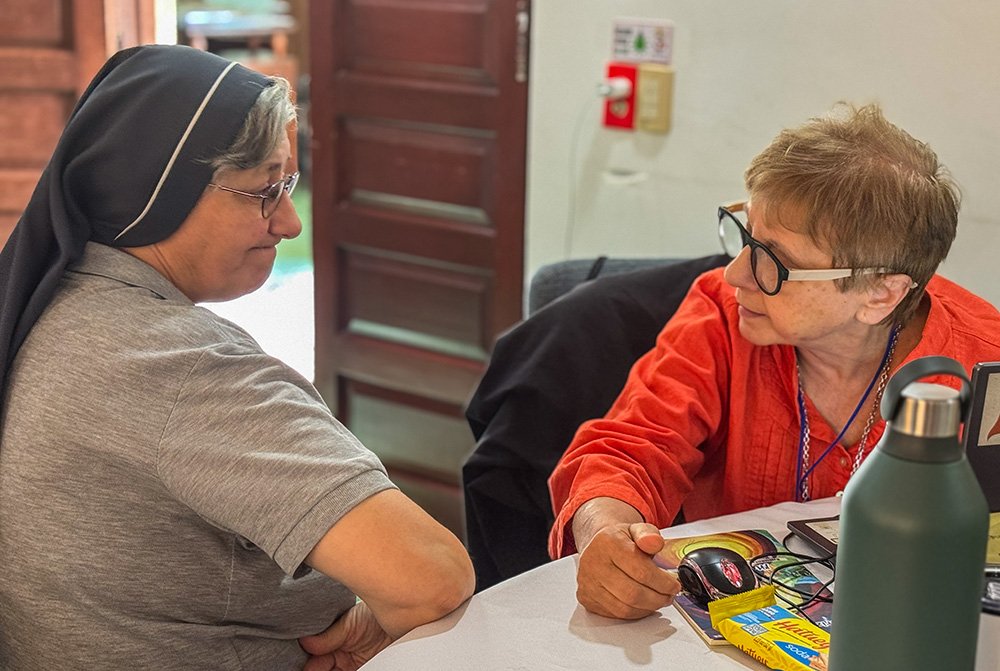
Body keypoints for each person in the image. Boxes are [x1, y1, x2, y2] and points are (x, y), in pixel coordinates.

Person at [0, 45, 473, 670]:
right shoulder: (181, 368)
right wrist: (370, 628)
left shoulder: (47, 308)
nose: (290, 223)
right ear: (160, 192)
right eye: (264, 191)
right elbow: (433, 578)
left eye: (288, 185)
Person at [547, 103, 1000, 620]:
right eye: (747, 238)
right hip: (741, 618)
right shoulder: (720, 314)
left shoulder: (985, 362)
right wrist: (606, 534)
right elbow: (629, 451)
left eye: (774, 261)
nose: (735, 274)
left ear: (880, 294)